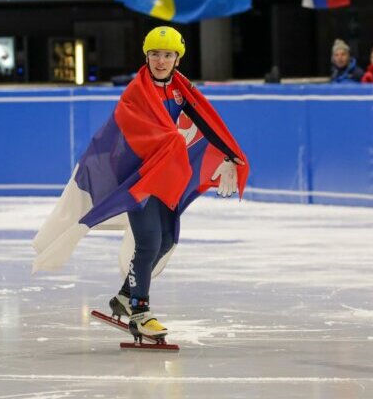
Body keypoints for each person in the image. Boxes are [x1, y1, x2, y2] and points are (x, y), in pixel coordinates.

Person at [33, 26, 248, 344]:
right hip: (137, 178)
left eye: (167, 55)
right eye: (155, 54)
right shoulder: (137, 91)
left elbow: (204, 121)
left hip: (162, 175)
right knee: (147, 242)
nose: (160, 61)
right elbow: (136, 134)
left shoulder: (179, 89)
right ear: (146, 56)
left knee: (163, 241)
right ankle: (140, 313)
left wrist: (232, 155)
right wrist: (171, 144)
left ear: (177, 58)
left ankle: (124, 297)